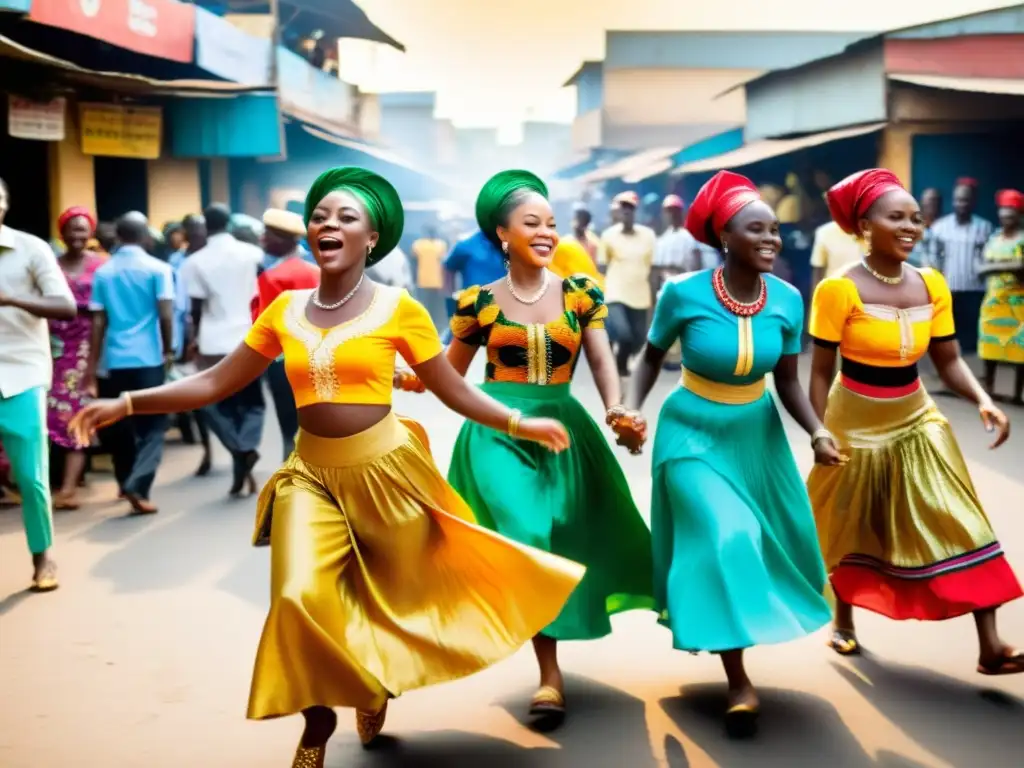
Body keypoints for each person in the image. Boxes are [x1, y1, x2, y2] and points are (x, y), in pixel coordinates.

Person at [69, 166, 584, 767]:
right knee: (296, 595)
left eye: (345, 218)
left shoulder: (399, 308)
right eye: (320, 217)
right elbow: (214, 381)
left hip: (388, 475)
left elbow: (452, 389)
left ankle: (373, 681)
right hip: (309, 478)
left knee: (393, 600)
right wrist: (128, 401)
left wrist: (520, 422)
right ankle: (316, 722)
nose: (328, 225)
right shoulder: (283, 309)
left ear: (372, 239)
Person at [398, 170, 653, 727]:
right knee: (528, 531)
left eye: (552, 224)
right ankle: (549, 675)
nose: (545, 233)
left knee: (564, 536)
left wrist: (616, 410)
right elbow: (451, 371)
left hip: (565, 429)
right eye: (531, 223)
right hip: (497, 433)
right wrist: (410, 376)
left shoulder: (581, 293)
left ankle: (547, 651)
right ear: (502, 233)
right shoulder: (478, 302)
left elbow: (604, 360)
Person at [622, 170, 839, 735]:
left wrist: (817, 431)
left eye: (774, 230)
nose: (771, 239)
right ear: (725, 238)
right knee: (727, 533)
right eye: (755, 229)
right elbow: (648, 357)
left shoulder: (789, 299)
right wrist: (631, 406)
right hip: (690, 432)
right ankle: (738, 679)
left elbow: (789, 382)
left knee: (766, 537)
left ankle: (725, 631)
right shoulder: (682, 294)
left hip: (755, 434)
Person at [806, 169, 1021, 675]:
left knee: (961, 518)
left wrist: (983, 399)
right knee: (855, 524)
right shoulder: (837, 290)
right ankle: (844, 621)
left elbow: (947, 360)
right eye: (896, 217)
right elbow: (818, 372)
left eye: (916, 218)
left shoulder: (932, 283)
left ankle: (990, 645)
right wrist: (820, 431)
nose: (911, 226)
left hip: (917, 415)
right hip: (853, 421)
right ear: (864, 225)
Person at [0, 177, 77, 590]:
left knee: (30, 477)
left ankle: (43, 557)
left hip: (20, 375)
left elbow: (65, 306)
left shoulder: (31, 249)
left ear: (4, 204)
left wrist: (10, 298)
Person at [85, 212, 174, 515]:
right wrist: (169, 351)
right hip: (148, 358)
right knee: (153, 426)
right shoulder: (158, 269)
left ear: (119, 236)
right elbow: (165, 314)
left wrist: (92, 366)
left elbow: (98, 322)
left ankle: (125, 482)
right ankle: (139, 484)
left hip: (115, 359)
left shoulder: (104, 273)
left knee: (118, 423)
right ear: (145, 235)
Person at [182, 203, 265, 497]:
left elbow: (195, 309)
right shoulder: (253, 254)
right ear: (229, 222)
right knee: (252, 402)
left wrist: (190, 342)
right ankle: (245, 447)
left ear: (206, 224)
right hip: (249, 337)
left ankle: (238, 450)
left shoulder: (194, 261)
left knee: (216, 403)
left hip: (214, 342)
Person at [48, 207, 104, 510]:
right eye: (72, 230)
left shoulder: (101, 267)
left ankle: (68, 488)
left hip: (84, 348)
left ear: (90, 233)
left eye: (83, 230)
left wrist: (91, 371)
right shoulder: (50, 265)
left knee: (75, 413)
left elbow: (100, 318)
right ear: (62, 233)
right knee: (48, 414)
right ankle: (57, 483)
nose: (77, 236)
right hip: (50, 346)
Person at [256, 208, 320, 459]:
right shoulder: (319, 273)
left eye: (267, 235)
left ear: (281, 240)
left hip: (284, 363)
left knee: (289, 427)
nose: (262, 239)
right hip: (320, 358)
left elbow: (263, 328)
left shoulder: (272, 277)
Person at [930, 178, 993, 354]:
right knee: (948, 337)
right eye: (958, 199)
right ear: (953, 200)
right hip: (949, 288)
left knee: (972, 341)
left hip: (976, 289)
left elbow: (990, 259)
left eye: (966, 200)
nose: (961, 204)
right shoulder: (940, 227)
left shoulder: (985, 227)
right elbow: (933, 259)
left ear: (973, 201)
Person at [598, 191, 657, 377]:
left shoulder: (648, 235)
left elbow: (653, 267)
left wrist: (653, 295)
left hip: (640, 295)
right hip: (616, 294)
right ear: (618, 211)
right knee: (624, 334)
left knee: (639, 339)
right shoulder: (608, 236)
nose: (626, 211)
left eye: (630, 208)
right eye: (623, 207)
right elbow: (602, 266)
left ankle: (621, 367)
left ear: (635, 211)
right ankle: (618, 367)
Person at [977, 189, 1024, 404]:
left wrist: (992, 267)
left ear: (1019, 214)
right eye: (1004, 211)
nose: (1007, 216)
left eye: (1011, 212)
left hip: (1017, 302)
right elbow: (979, 266)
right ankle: (989, 389)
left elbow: (1021, 266)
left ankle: (1016, 394)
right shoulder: (994, 238)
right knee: (989, 346)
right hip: (994, 300)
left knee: (1019, 348)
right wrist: (1004, 267)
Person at [809, 218, 863, 296]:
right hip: (834, 297)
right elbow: (818, 273)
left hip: (869, 301)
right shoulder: (825, 232)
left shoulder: (875, 229)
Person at [410, 225, 448, 328]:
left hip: (423, 280)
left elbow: (413, 258)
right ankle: (435, 325)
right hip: (438, 281)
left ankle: (424, 324)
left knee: (423, 304)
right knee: (436, 307)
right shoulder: (441, 244)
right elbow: (445, 260)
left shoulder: (418, 244)